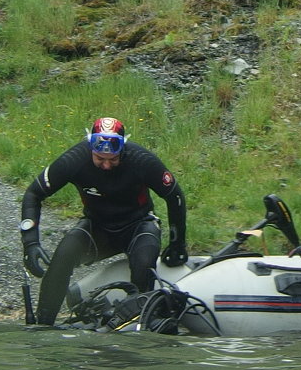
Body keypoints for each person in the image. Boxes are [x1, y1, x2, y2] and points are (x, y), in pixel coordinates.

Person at [20, 116, 188, 325]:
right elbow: (33, 194)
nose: (107, 165)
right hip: (97, 228)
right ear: (91, 148)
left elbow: (175, 196)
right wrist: (31, 243)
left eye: (113, 159)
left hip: (138, 227)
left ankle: (140, 329)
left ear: (123, 149)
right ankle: (42, 325)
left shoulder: (141, 159)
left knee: (144, 263)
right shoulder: (76, 159)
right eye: (100, 159)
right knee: (64, 255)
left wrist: (177, 242)